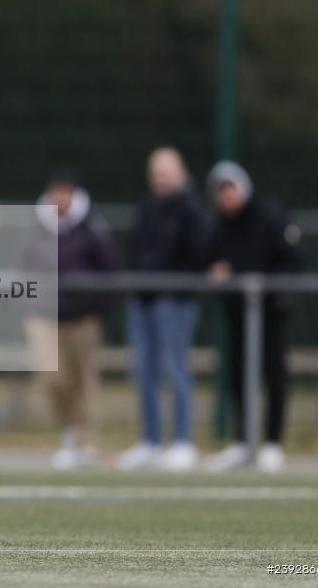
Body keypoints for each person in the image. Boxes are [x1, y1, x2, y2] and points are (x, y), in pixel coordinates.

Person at [203, 161, 303, 473]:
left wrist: (269, 285)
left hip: (271, 312)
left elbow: (295, 260)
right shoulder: (218, 224)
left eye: (230, 188)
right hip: (236, 313)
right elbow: (209, 258)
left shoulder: (269, 216)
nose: (227, 197)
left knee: (274, 375)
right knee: (237, 376)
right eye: (221, 191)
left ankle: (272, 443)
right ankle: (243, 442)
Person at [119, 147, 209, 471]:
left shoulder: (192, 211)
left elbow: (199, 255)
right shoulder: (146, 207)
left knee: (175, 367)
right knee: (143, 370)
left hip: (176, 301)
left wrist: (175, 286)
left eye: (166, 172)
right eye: (155, 173)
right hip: (143, 299)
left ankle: (184, 441)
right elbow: (135, 249)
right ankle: (151, 442)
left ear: (181, 173)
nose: (159, 179)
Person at [20, 170, 116, 469]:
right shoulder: (36, 229)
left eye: (66, 192)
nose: (60, 198)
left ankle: (86, 442)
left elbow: (108, 270)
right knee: (53, 379)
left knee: (84, 380)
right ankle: (68, 435)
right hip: (45, 316)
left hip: (82, 316)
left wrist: (97, 306)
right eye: (56, 192)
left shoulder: (92, 229)